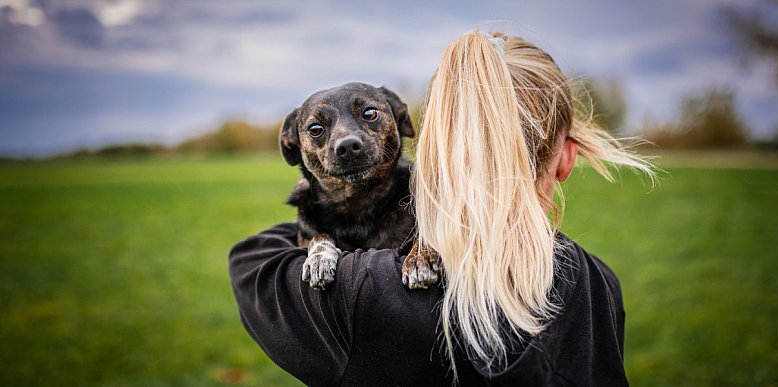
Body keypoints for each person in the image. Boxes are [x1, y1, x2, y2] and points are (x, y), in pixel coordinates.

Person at [229, 30, 654, 386]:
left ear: (428, 145)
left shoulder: (358, 294)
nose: (348, 138)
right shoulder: (599, 284)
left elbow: (250, 262)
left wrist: (321, 215)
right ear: (566, 158)